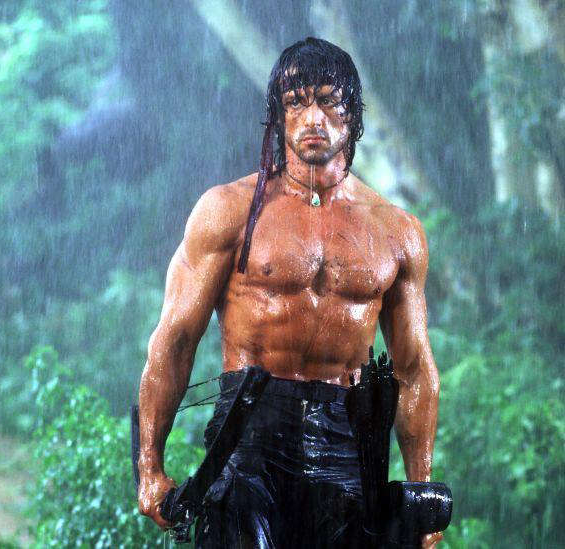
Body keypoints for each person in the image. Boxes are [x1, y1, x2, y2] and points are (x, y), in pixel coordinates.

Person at [138, 37, 442, 548]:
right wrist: (150, 466)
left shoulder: (397, 232)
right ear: (278, 115)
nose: (313, 118)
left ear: (353, 115)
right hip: (249, 437)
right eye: (296, 102)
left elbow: (413, 369)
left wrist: (420, 489)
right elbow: (175, 339)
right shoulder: (228, 210)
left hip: (347, 444)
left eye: (329, 101)